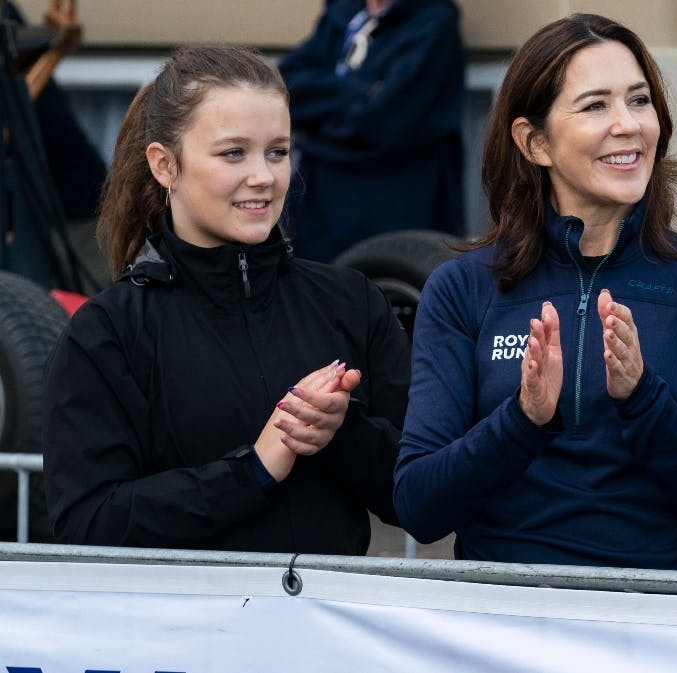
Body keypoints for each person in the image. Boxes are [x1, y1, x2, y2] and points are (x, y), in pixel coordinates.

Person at [392, 14, 677, 569]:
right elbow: (419, 506)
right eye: (595, 105)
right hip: (499, 622)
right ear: (534, 142)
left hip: (660, 618)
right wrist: (522, 419)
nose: (628, 125)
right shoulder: (462, 287)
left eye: (639, 101)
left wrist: (642, 398)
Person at [41, 45, 410, 554]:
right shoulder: (107, 331)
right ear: (165, 165)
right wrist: (251, 471)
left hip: (325, 632)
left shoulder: (351, 302)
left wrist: (339, 434)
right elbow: (88, 525)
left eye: (277, 151)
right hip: (185, 631)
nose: (263, 175)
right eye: (233, 152)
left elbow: (419, 496)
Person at [278, 0, 464, 262]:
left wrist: (316, 128)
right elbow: (286, 86)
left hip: (391, 208)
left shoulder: (432, 23)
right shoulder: (343, 15)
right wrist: (362, 90)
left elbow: (386, 121)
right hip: (321, 214)